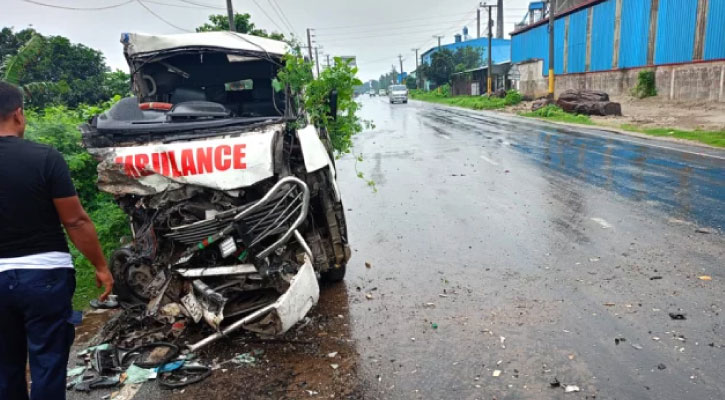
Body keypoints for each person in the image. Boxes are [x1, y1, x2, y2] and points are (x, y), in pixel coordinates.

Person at [0, 81, 114, 400]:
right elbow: (75, 219)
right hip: (45, 277)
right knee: (47, 364)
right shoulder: (44, 157)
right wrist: (101, 266)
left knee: (4, 369)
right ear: (19, 115)